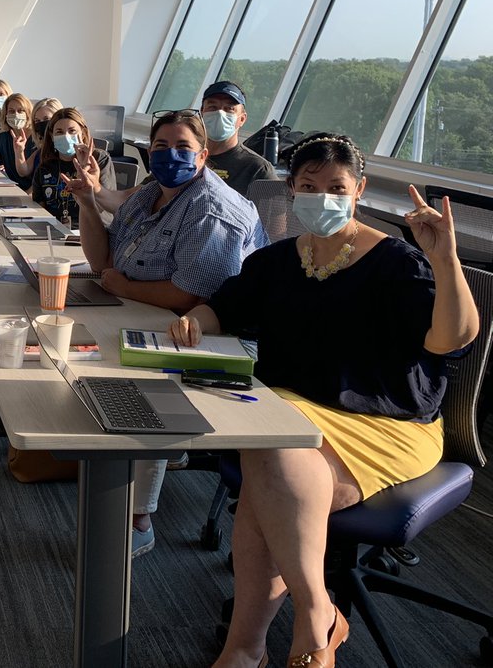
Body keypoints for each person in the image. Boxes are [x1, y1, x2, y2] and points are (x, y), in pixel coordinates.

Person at [168, 134, 478, 668]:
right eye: (309, 186)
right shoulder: (277, 261)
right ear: (291, 190)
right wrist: (196, 320)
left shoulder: (398, 262)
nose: (322, 197)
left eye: (336, 187)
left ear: (359, 190)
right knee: (273, 451)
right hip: (293, 412)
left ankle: (254, 645)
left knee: (268, 465)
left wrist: (446, 260)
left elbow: (452, 340)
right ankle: (310, 619)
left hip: (387, 421)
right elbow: (224, 306)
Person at [67, 108, 267, 558]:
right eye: (161, 146)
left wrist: (123, 287)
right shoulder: (150, 192)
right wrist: (88, 204)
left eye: (182, 148)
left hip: (217, 332)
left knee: (145, 379)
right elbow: (104, 262)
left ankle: (139, 519)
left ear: (203, 156)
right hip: (152, 312)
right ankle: (127, 454)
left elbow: (190, 295)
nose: (170, 155)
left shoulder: (212, 209)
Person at [30, 107, 114, 228]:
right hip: (55, 229)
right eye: (59, 132)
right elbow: (39, 206)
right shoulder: (45, 167)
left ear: (83, 133)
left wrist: (85, 170)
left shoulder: (99, 159)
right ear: (52, 136)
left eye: (72, 131)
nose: (66, 136)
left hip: (94, 228)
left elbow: (105, 205)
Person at [201, 80, 277, 196]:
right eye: (212, 107)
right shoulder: (187, 157)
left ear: (242, 119)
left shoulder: (257, 169)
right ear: (201, 114)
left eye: (229, 109)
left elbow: (274, 207)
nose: (220, 113)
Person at [0, 92, 35, 190]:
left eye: (20, 111)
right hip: (13, 190)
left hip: (32, 193)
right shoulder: (2, 138)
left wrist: (28, 196)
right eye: (11, 111)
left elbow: (40, 180)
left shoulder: (37, 138)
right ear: (5, 115)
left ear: (28, 113)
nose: (16, 114)